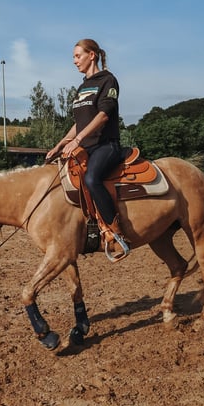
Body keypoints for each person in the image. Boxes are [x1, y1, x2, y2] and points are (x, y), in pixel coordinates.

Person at [46, 38, 130, 261]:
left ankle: (115, 233)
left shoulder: (108, 81)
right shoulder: (82, 87)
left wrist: (79, 139)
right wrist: (62, 142)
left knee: (92, 178)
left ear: (91, 55)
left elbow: (103, 115)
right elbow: (80, 122)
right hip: (86, 146)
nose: (74, 61)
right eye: (73, 57)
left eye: (77, 56)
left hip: (106, 145)